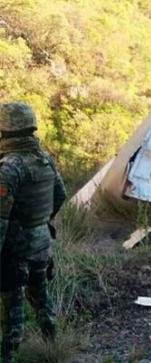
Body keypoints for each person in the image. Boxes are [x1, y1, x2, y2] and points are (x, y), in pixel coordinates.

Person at [0, 103, 66, 361]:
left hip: (14, 249)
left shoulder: (9, 168)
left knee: (12, 305)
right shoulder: (44, 159)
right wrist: (40, 221)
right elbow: (60, 195)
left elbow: (1, 220)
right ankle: (53, 345)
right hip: (41, 243)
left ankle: (8, 356)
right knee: (41, 297)